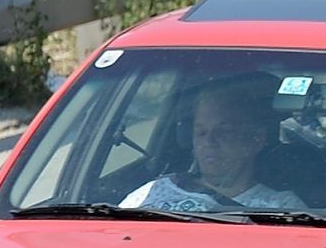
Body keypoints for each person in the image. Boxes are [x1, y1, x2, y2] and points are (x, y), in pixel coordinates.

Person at [120, 78, 304, 214]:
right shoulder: (153, 191)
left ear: (256, 139)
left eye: (224, 132)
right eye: (201, 133)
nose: (209, 142)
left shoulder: (281, 209)